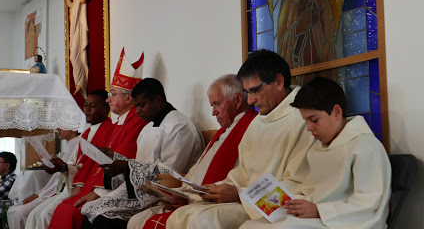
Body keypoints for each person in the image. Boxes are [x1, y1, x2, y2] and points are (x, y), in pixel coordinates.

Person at [166, 49, 314, 229]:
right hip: (246, 201)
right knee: (182, 215)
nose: (250, 100)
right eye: (246, 92)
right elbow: (241, 174)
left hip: (274, 208)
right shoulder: (258, 122)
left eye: (255, 91)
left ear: (278, 82)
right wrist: (206, 192)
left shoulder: (305, 119)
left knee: (203, 220)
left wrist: (241, 195)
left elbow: (299, 186)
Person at [239, 77, 391, 229]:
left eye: (314, 120)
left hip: (348, 222)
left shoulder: (364, 146)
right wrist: (281, 203)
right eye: (306, 121)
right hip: (321, 218)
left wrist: (319, 210)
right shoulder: (318, 149)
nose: (309, 128)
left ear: (336, 112)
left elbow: (370, 203)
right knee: (249, 226)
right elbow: (309, 190)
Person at [127, 74, 257, 229]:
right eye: (211, 106)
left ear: (237, 100)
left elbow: (243, 176)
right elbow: (195, 171)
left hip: (220, 200)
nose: (213, 112)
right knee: (135, 221)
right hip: (196, 197)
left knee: (200, 221)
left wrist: (237, 193)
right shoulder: (222, 132)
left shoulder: (252, 128)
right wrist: (180, 193)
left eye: (217, 104)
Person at [79, 77, 205, 229]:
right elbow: (141, 163)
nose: (137, 110)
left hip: (165, 196)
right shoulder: (147, 128)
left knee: (103, 220)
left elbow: (170, 175)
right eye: (136, 105)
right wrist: (115, 159)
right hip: (141, 191)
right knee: (89, 211)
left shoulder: (179, 127)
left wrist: (126, 166)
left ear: (158, 100)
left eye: (141, 105)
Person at [47, 48, 149, 228]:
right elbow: (95, 163)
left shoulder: (136, 122)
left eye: (113, 94)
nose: (108, 100)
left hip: (117, 190)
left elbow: (122, 164)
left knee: (74, 211)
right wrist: (82, 187)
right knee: (63, 209)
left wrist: (98, 193)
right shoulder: (121, 123)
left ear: (128, 98)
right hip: (99, 187)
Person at [24, 90, 115, 229]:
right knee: (34, 215)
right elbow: (76, 165)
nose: (87, 110)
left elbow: (95, 167)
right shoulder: (86, 133)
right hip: (72, 184)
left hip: (85, 187)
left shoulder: (111, 131)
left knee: (45, 215)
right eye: (85, 105)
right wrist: (61, 167)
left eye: (92, 106)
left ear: (106, 108)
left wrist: (65, 168)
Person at [7, 119, 81, 229]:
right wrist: (38, 193)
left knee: (27, 213)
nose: (57, 129)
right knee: (13, 210)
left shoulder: (79, 145)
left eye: (62, 125)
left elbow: (70, 175)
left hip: (65, 191)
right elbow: (56, 179)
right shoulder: (71, 146)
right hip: (52, 191)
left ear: (73, 127)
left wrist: (40, 195)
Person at [64, 0, 89, 96]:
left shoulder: (78, 1)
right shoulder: (73, 4)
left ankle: (80, 82)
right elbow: (69, 3)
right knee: (72, 58)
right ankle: (79, 82)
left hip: (78, 31)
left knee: (74, 57)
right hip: (72, 33)